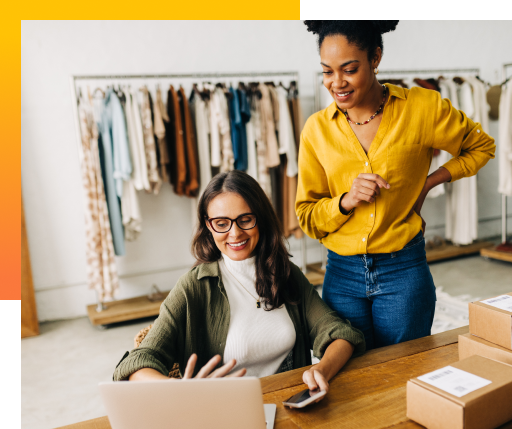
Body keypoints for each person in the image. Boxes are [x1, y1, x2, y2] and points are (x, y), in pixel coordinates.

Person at [296, 20, 496, 350]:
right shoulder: (316, 130)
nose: (337, 83)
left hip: (403, 270)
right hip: (341, 275)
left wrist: (429, 182)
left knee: (403, 373)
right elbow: (307, 216)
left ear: (375, 58)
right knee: (350, 379)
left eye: (349, 69)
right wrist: (345, 200)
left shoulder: (422, 108)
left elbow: (481, 146)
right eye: (327, 72)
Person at [113, 170, 365, 398]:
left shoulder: (286, 274)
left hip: (288, 405)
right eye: (221, 223)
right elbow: (138, 362)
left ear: (261, 219)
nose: (235, 234)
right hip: (224, 414)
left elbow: (339, 333)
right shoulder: (194, 287)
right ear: (208, 225)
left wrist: (322, 369)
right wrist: (178, 390)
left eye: (245, 219)